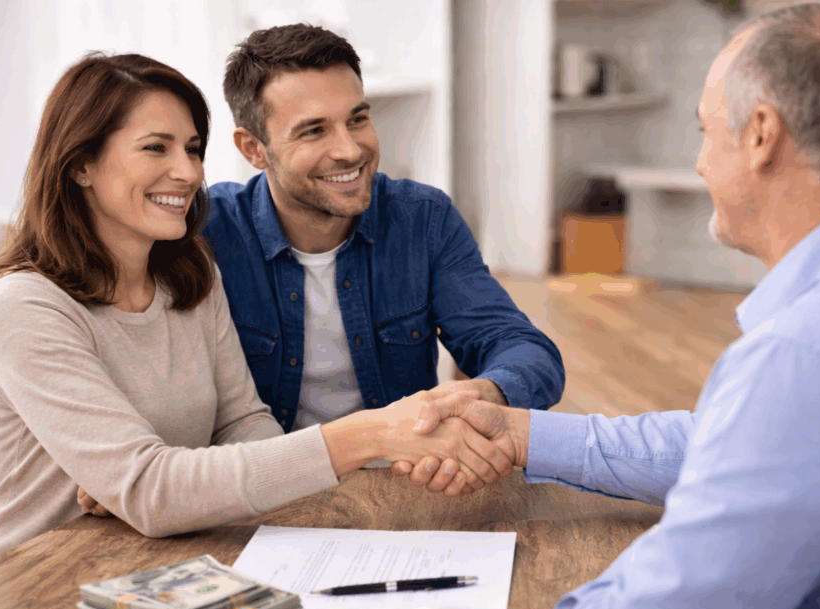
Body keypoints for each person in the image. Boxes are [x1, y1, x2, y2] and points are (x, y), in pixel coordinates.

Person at [401, 4, 820, 609]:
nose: (701, 161)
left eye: (706, 130)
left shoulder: (809, 361)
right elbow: (760, 443)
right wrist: (525, 435)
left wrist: (595, 577)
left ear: (762, 135)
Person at [0, 53, 493, 569]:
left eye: (192, 149)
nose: (187, 172)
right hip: (24, 583)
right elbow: (149, 489)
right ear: (80, 165)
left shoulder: (188, 275)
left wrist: (191, 494)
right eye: (156, 148)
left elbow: (243, 422)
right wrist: (368, 434)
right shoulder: (25, 305)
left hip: (152, 568)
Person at [201, 24, 565, 452]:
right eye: (314, 130)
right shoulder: (207, 231)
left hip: (403, 472)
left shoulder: (422, 219)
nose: (351, 150)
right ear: (253, 149)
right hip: (267, 481)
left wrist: (484, 395)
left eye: (357, 119)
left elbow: (523, 348)